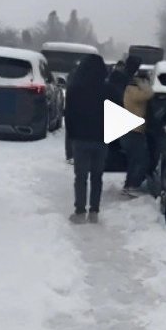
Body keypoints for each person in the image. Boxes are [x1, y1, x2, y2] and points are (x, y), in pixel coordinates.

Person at [64, 54, 114, 223]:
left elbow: (68, 115)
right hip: (101, 138)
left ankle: (79, 212)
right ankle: (94, 212)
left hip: (80, 139)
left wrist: (71, 137)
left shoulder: (74, 88)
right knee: (97, 176)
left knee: (81, 176)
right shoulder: (108, 89)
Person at [121, 71, 153, 196]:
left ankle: (129, 185)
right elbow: (149, 94)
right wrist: (144, 84)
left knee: (134, 160)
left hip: (133, 130)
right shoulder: (133, 90)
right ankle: (132, 185)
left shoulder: (131, 89)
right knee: (141, 160)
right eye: (146, 80)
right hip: (133, 131)